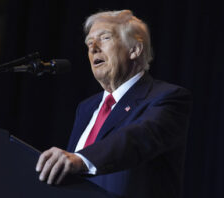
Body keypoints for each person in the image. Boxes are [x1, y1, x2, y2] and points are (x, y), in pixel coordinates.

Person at [36, 10, 192, 198]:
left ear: (134, 49)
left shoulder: (167, 97)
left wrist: (82, 159)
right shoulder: (86, 108)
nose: (93, 47)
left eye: (105, 38)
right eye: (89, 43)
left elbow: (137, 137)